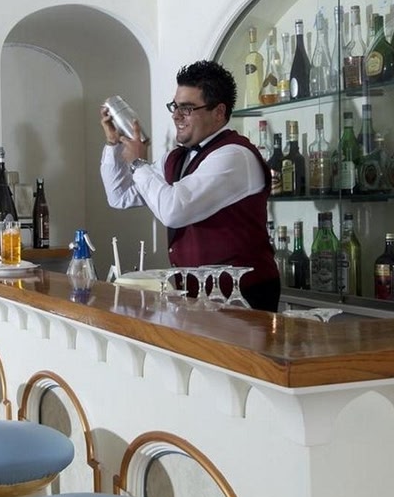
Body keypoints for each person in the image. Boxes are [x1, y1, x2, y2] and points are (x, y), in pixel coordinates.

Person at [99, 60, 280, 312]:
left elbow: (174, 210)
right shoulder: (175, 158)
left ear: (218, 112)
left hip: (244, 296)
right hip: (198, 297)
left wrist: (138, 163)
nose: (176, 115)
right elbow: (119, 196)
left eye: (186, 108)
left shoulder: (234, 156)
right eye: (175, 106)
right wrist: (114, 144)